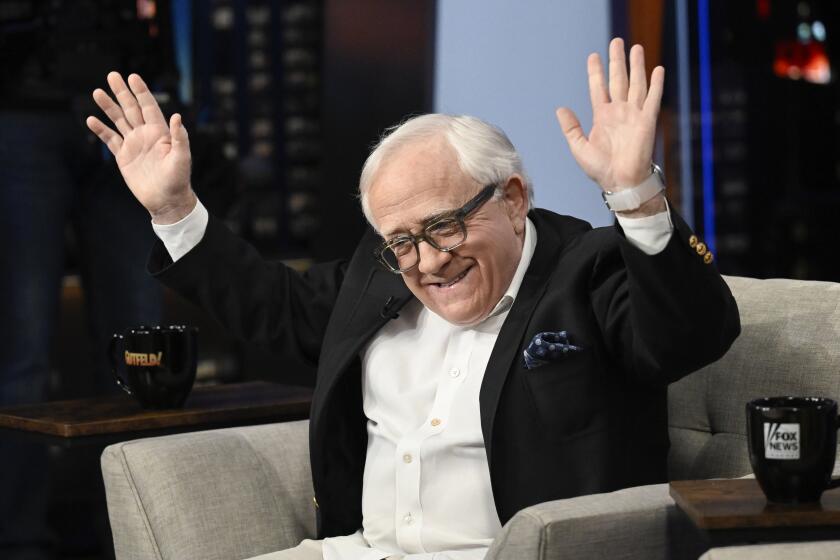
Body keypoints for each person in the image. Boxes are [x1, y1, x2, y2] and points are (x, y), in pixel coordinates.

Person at [86, 38, 739, 560]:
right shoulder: (382, 276)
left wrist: (636, 196)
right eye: (400, 240)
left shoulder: (588, 270)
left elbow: (689, 334)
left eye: (445, 226)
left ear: (513, 199)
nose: (426, 261)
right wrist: (174, 209)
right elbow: (274, 305)